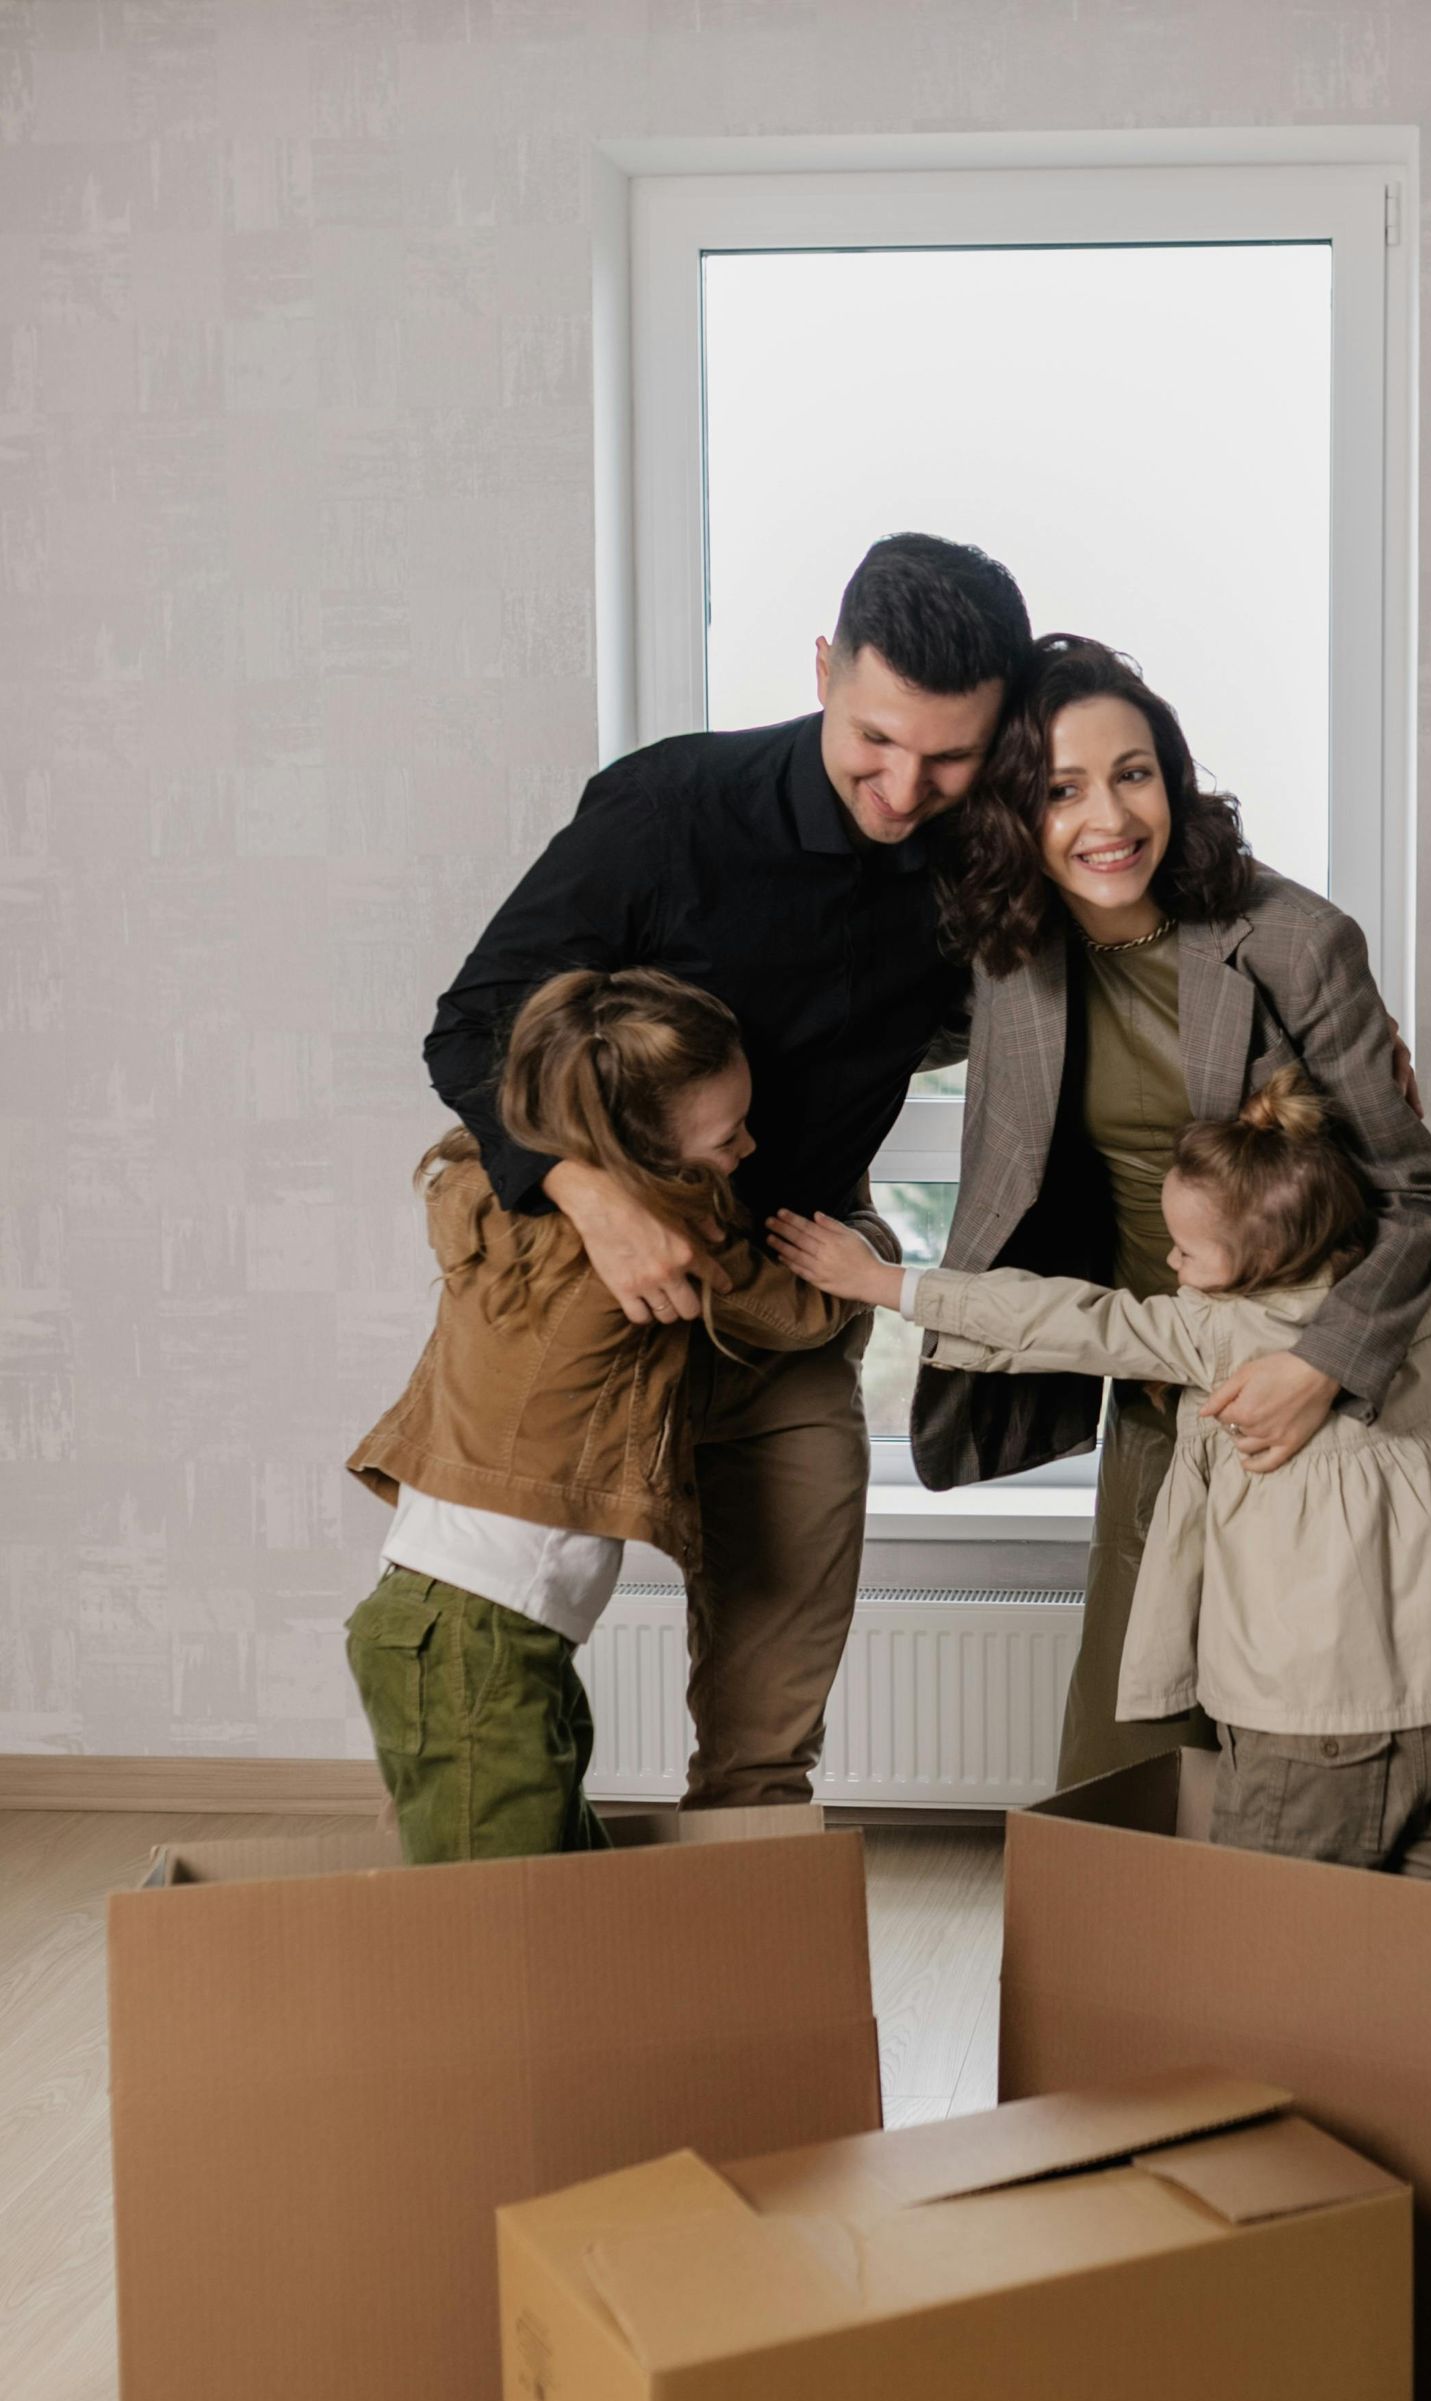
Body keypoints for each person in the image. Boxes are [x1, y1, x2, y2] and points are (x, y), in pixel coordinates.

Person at [917, 633, 1431, 1801]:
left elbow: (1416, 1200)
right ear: (1014, 814)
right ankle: (1175, 1981)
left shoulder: (1291, 940)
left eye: (1135, 772)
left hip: (1356, 1378)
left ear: (1173, 779)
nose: (1107, 816)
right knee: (1151, 1730)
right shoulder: (1004, 947)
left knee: (1410, 1723)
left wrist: (1322, 1367)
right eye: (1061, 789)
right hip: (1173, 1379)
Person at [420, 533, 1030, 1809]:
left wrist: (1314, 1016)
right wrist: (594, 1198)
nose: (906, 786)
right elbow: (470, 1025)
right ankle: (472, 1950)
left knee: (768, 1731)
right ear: (823, 669)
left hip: (788, 1302)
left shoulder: (986, 859)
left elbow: (1149, 912)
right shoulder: (665, 811)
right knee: (481, 1669)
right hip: (598, 1280)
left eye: (950, 755)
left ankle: (737, 1968)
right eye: (876, 738)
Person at [773, 1073, 1431, 1881]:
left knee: (1262, 1946)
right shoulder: (1424, 1293)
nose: (1168, 1259)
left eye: (1188, 1249)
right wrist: (1381, 1122)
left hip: (1309, 1733)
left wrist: (884, 1282)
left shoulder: (1220, 1335)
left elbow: (1058, 1319)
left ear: (1261, 1260)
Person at [347, 969, 855, 1863]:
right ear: (640, 1157)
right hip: (480, 1640)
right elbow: (797, 1312)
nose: (747, 1147)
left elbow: (463, 1169)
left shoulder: (490, 1191)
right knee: (496, 1928)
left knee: (565, 1896)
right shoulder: (662, 1236)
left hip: (457, 1623)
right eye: (726, 1134)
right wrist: (869, 1245)